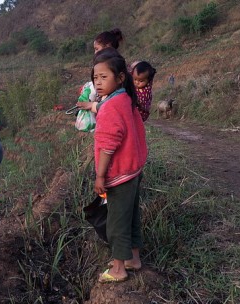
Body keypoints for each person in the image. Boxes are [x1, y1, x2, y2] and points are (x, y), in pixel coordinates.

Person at [89, 48, 148, 283]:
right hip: (133, 169)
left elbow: (108, 146)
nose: (98, 83)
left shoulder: (110, 107)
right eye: (95, 77)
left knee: (116, 222)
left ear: (120, 77)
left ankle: (118, 269)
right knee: (131, 215)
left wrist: (100, 176)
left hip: (120, 173)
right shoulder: (125, 98)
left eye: (104, 77)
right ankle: (134, 258)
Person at [76, 29, 124, 113]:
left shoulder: (119, 96)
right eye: (95, 78)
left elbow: (110, 103)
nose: (98, 83)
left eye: (97, 49)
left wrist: (92, 105)